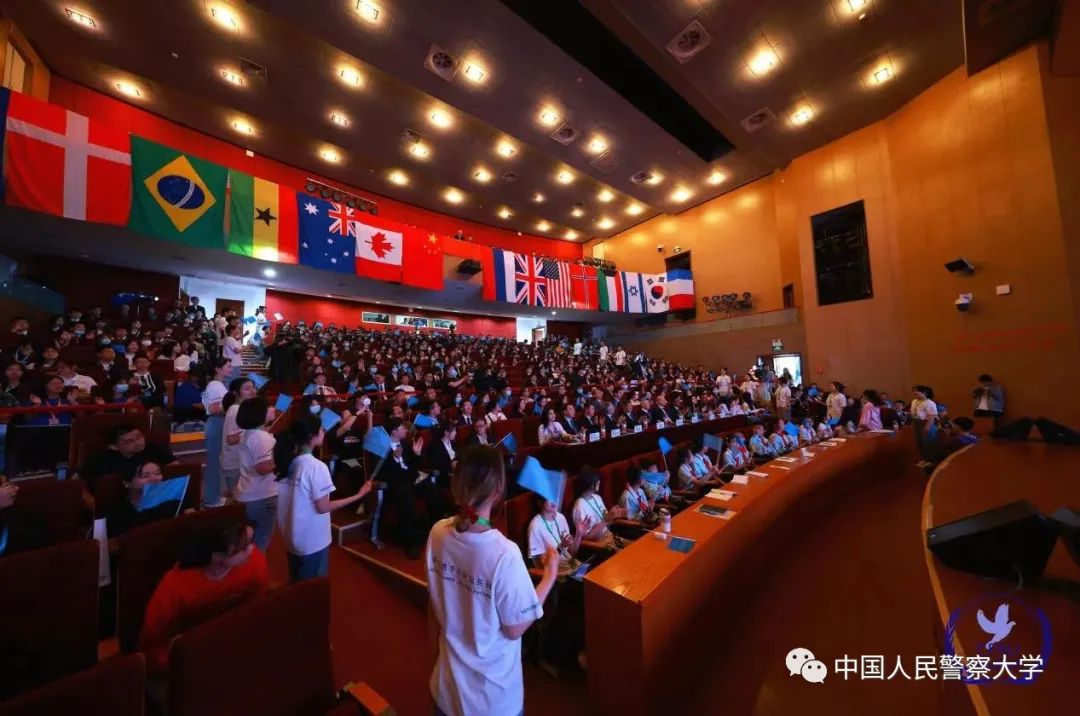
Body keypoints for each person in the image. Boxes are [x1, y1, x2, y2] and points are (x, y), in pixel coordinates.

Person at [426, 446, 556, 716]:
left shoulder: (437, 532)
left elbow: (434, 602)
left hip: (446, 687)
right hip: (491, 700)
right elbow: (515, 628)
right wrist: (550, 576)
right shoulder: (504, 554)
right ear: (498, 489)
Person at [139, 520, 269, 675]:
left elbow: (257, 610)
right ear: (217, 557)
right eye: (243, 547)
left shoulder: (255, 562)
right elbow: (153, 646)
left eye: (251, 542)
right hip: (188, 663)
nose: (252, 549)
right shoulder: (174, 587)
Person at [275, 414, 374, 582]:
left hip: (291, 536)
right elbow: (323, 507)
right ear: (312, 436)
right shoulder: (316, 467)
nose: (324, 432)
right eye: (321, 429)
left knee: (296, 585)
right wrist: (359, 495)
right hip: (311, 540)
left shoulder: (288, 461)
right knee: (312, 589)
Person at [75, 423, 177, 492]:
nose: (139, 442)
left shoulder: (156, 448)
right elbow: (76, 481)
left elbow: (176, 470)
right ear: (114, 447)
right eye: (129, 441)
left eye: (139, 436)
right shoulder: (99, 459)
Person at [234, 397, 278, 551]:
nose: (271, 409)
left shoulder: (247, 434)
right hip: (262, 496)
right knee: (259, 544)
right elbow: (263, 467)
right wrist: (284, 458)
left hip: (248, 492)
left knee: (248, 543)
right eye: (268, 407)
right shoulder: (260, 437)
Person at [105, 461, 186, 538]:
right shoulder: (119, 511)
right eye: (145, 476)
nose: (155, 478)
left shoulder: (172, 501)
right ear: (127, 482)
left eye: (158, 473)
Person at [527, 492, 586, 578]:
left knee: (593, 574)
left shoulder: (560, 517)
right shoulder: (535, 526)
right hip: (556, 574)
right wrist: (560, 548)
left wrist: (578, 535)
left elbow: (571, 553)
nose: (554, 501)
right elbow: (542, 564)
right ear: (540, 502)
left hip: (572, 565)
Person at [201, 358, 232, 507]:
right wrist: (233, 403)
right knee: (213, 463)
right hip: (216, 423)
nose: (231, 368)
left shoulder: (219, 385)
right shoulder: (214, 385)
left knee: (216, 462)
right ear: (218, 369)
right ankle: (210, 499)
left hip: (220, 423)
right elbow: (214, 408)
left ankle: (214, 496)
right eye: (228, 366)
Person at [571, 467, 624, 549]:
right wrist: (605, 520)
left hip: (610, 536)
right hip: (600, 544)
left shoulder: (597, 497)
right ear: (589, 483)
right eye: (596, 480)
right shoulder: (580, 506)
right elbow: (587, 537)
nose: (599, 482)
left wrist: (613, 515)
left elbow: (608, 524)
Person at [221, 377, 256, 498]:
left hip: (240, 463)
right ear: (236, 393)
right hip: (235, 464)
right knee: (237, 499)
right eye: (247, 388)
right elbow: (231, 439)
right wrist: (255, 434)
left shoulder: (242, 409)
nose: (252, 391)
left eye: (253, 388)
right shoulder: (235, 410)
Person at [911, 385, 940, 468]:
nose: (914, 392)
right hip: (916, 422)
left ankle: (931, 461)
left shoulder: (929, 403)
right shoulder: (914, 401)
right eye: (913, 391)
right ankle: (925, 459)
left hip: (926, 423)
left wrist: (927, 427)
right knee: (919, 442)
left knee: (928, 442)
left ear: (924, 392)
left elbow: (932, 416)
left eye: (916, 391)